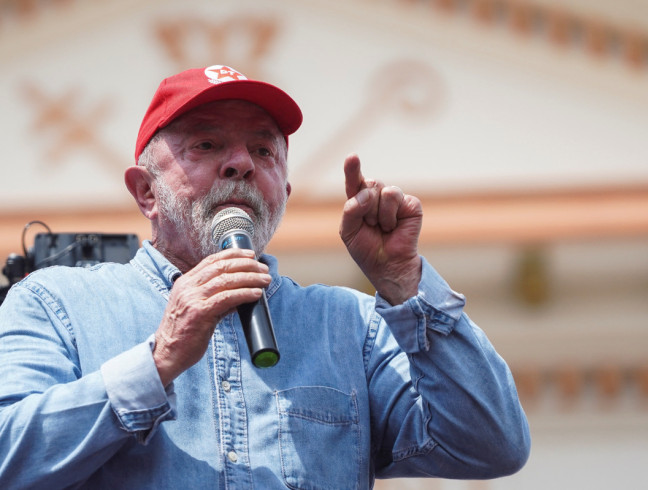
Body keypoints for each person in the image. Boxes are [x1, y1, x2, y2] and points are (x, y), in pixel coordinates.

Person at [0, 65, 530, 488]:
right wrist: (158, 362)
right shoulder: (54, 303)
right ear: (145, 192)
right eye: (205, 146)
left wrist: (403, 282)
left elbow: (491, 444)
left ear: (283, 192)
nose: (241, 164)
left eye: (263, 150)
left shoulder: (348, 325)